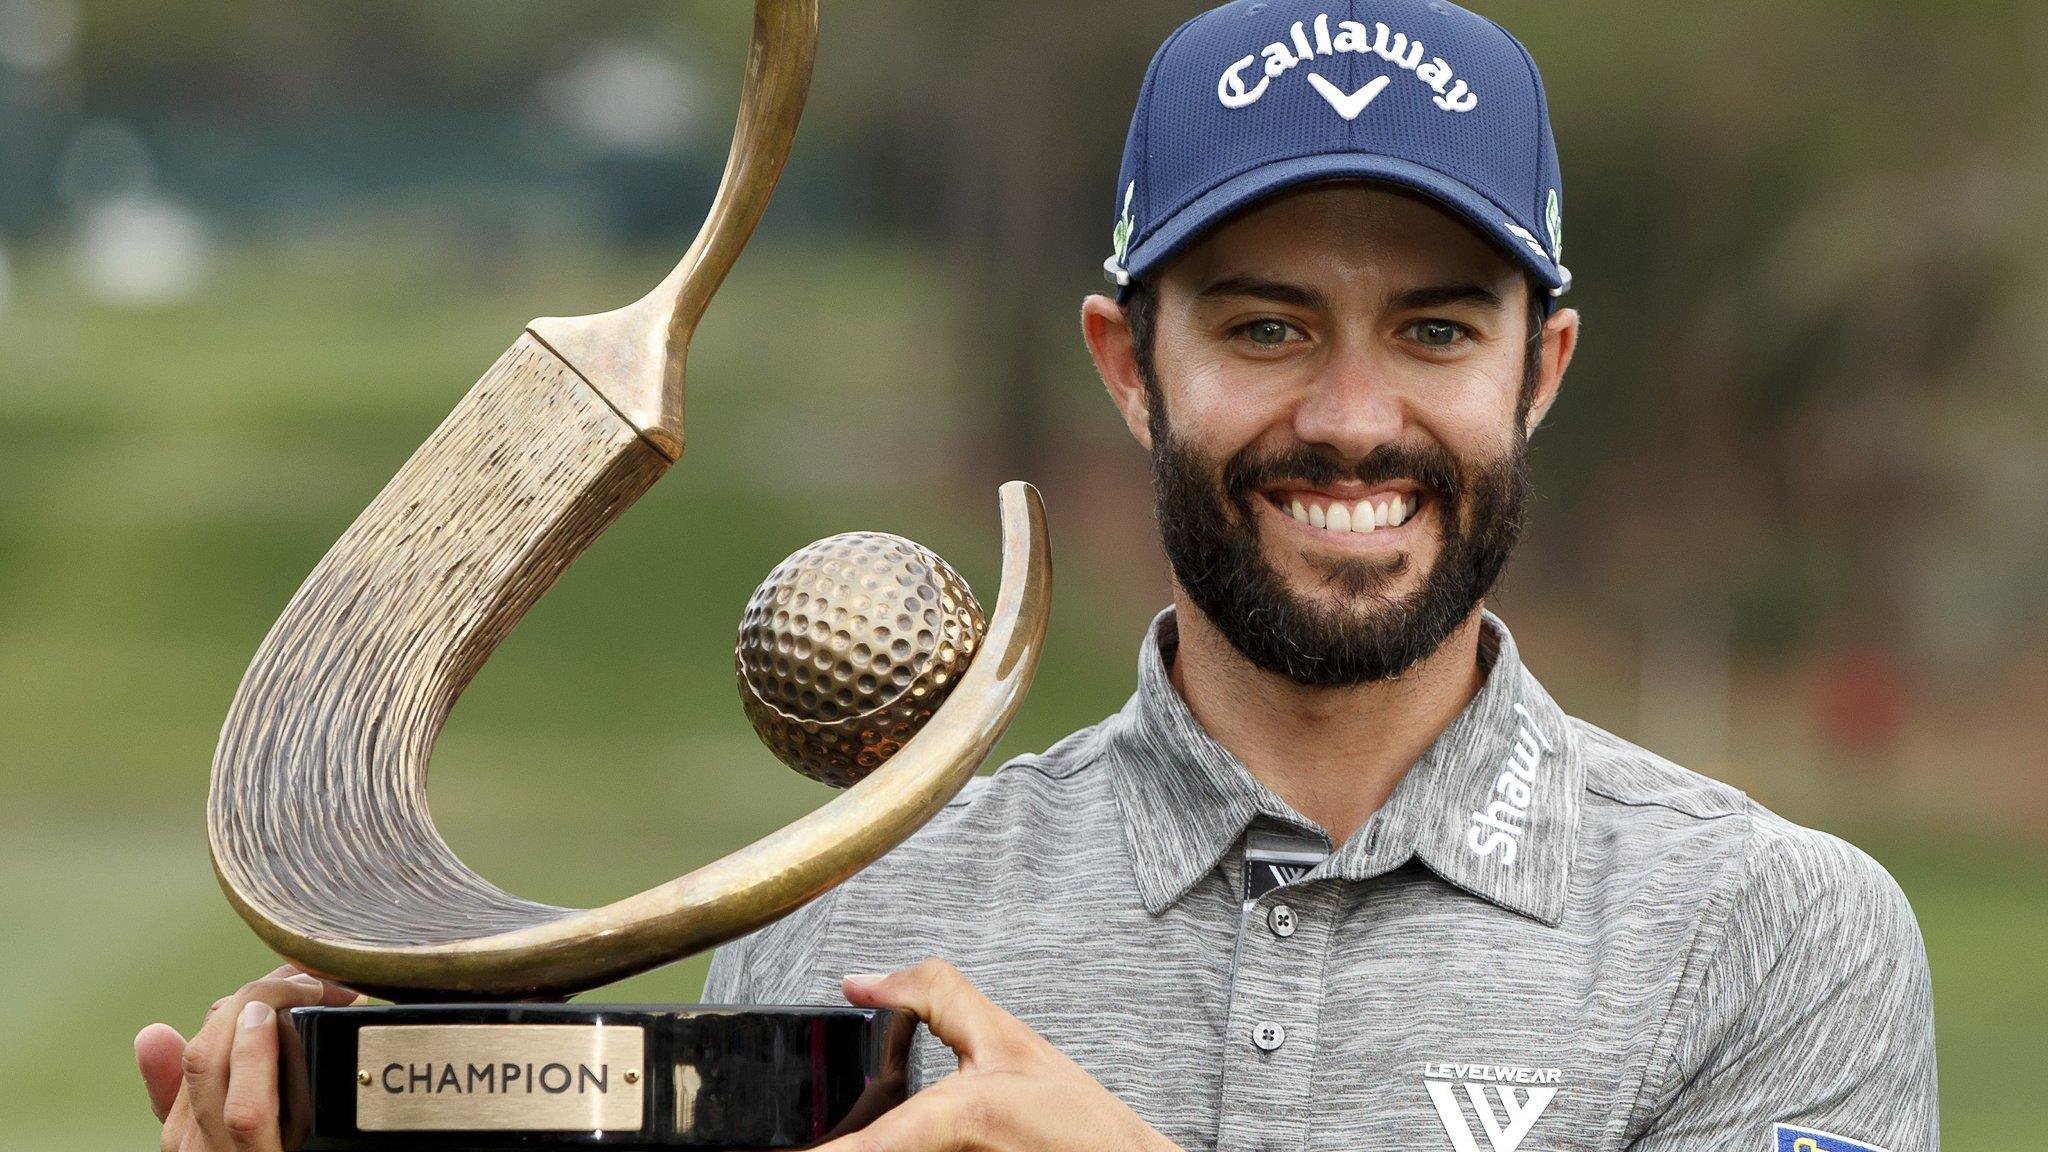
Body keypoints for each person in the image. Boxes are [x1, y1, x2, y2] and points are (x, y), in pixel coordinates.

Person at [137, 1, 1938, 1149]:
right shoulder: (832, 941)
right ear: (1124, 361)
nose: (1352, 415)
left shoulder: (1773, 943)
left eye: (1437, 328)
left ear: (1536, 374)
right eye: (1263, 325)